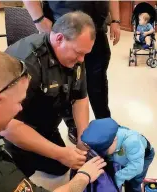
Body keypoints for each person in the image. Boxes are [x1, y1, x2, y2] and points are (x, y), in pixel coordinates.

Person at [0, 49, 107, 192]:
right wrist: (84, 175)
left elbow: (80, 98)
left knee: (58, 168)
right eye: (18, 102)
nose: (20, 109)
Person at [2, 12, 95, 177]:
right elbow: (7, 125)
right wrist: (59, 153)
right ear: (59, 39)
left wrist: (82, 137)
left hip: (46, 124)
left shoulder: (76, 56)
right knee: (19, 179)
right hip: (13, 132)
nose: (81, 59)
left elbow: (80, 97)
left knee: (60, 168)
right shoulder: (25, 64)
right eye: (78, 52)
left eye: (85, 54)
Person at [23, 0, 121, 143]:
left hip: (96, 28)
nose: (81, 60)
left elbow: (81, 94)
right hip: (65, 27)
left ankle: (104, 121)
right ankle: (72, 124)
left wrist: (115, 20)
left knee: (97, 81)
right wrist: (39, 20)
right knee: (66, 82)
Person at [81, 118, 155, 192]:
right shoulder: (109, 140)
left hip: (142, 158)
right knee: (115, 167)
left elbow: (136, 167)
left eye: (105, 150)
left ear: (115, 139)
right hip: (122, 155)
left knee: (135, 178)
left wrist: (118, 177)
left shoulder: (132, 141)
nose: (103, 153)